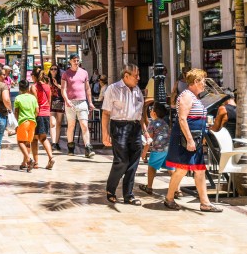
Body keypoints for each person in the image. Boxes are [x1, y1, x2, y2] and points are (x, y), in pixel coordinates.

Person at [163, 68, 222, 212]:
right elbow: (182, 119)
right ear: (195, 81)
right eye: (202, 81)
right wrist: (189, 140)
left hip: (195, 139)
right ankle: (169, 198)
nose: (204, 84)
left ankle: (205, 202)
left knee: (199, 170)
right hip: (186, 139)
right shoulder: (186, 96)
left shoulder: (195, 97)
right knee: (182, 169)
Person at [101, 63, 147, 205]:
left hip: (135, 128)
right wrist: (105, 133)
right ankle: (111, 189)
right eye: (136, 75)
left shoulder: (137, 91)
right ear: (126, 76)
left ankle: (128, 195)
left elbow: (140, 115)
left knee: (133, 162)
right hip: (119, 127)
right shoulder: (113, 89)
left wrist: (145, 132)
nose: (138, 78)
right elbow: (106, 113)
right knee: (121, 161)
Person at [62, 54, 95, 158]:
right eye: (74, 61)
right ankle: (71, 147)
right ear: (70, 61)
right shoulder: (66, 74)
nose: (76, 62)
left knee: (84, 125)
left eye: (77, 60)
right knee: (71, 125)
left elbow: (88, 88)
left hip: (82, 102)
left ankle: (88, 149)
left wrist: (90, 102)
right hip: (70, 103)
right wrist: (67, 100)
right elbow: (63, 89)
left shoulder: (84, 73)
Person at [139, 102, 171, 194]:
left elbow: (148, 140)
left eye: (151, 109)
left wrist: (144, 153)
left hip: (158, 149)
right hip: (168, 149)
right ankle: (177, 190)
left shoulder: (153, 123)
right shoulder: (165, 123)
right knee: (171, 169)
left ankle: (149, 187)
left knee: (151, 167)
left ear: (154, 113)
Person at [29, 67, 55, 170]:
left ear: (34, 76)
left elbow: (35, 103)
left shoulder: (33, 87)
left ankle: (36, 163)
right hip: (46, 114)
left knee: (34, 139)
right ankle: (51, 157)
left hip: (37, 115)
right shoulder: (47, 86)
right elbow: (49, 101)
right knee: (43, 138)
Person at [14, 80, 38, 172]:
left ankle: (28, 159)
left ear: (20, 88)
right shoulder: (33, 98)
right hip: (32, 122)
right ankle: (25, 163)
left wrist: (18, 121)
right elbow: (37, 111)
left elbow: (16, 112)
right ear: (28, 88)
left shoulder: (18, 98)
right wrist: (33, 117)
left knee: (20, 142)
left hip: (23, 122)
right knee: (28, 143)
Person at [48, 67, 64, 153]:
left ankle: (57, 142)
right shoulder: (47, 79)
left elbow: (65, 89)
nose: (53, 70)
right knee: (52, 123)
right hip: (51, 102)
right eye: (52, 69)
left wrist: (57, 84)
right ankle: (53, 142)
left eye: (55, 69)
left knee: (58, 123)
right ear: (49, 71)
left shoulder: (61, 79)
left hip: (60, 102)